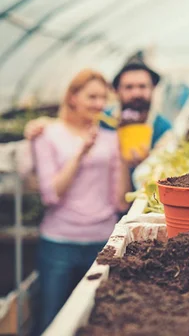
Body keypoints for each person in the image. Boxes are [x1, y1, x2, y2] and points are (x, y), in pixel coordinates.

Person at [33, 69, 128, 334]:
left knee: (98, 322)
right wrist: (81, 152)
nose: (99, 104)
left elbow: (119, 201)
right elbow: (51, 194)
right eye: (92, 96)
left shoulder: (110, 138)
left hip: (103, 243)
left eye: (103, 98)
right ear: (73, 97)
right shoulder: (47, 134)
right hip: (59, 243)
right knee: (52, 319)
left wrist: (121, 154)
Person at [24, 60, 175, 192]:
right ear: (116, 90)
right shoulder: (104, 118)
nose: (136, 93)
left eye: (142, 86)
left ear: (153, 88)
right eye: (129, 87)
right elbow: (75, 123)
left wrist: (147, 164)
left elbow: (167, 170)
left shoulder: (164, 129)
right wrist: (42, 124)